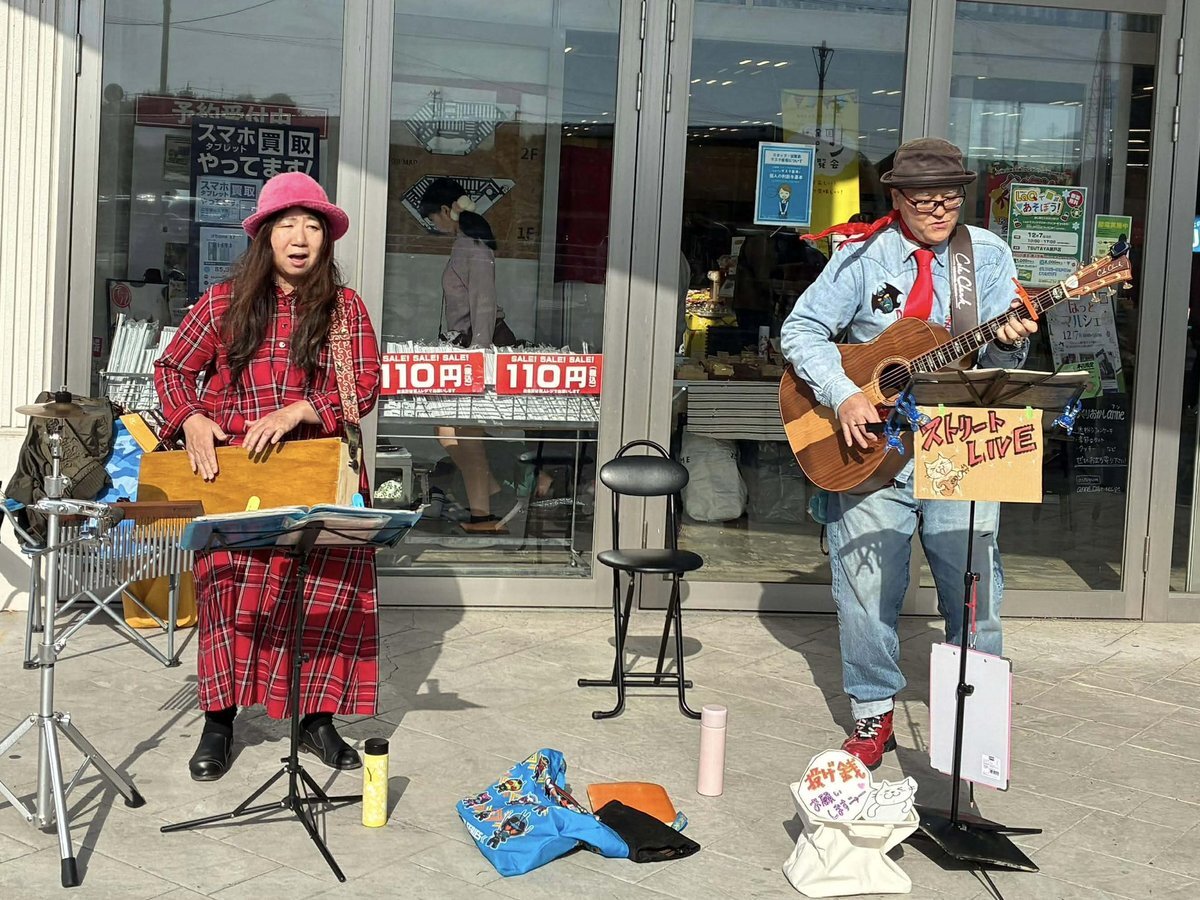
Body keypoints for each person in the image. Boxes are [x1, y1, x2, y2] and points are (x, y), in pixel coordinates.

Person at [780, 138, 1039, 769]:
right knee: (867, 587)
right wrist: (844, 393)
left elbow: (1002, 359)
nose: (940, 211)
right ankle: (873, 713)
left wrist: (1010, 341)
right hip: (872, 443)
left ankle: (974, 724)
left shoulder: (988, 255)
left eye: (950, 199)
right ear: (897, 198)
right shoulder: (861, 254)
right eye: (925, 201)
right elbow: (801, 329)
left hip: (961, 441)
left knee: (974, 587)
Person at [155, 172, 381, 781]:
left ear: (326, 239)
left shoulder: (344, 310)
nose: (300, 238)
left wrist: (301, 409)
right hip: (235, 476)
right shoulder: (223, 302)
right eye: (287, 225)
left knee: (322, 597)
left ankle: (316, 719)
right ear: (265, 236)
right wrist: (190, 418)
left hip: (316, 470)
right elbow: (172, 370)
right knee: (228, 596)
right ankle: (218, 720)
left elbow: (363, 388)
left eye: (312, 227)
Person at [419, 177, 520, 532]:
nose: (434, 225)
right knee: (449, 429)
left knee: (465, 435)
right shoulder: (464, 244)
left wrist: (479, 354)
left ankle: (484, 515)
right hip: (468, 344)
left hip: (479, 345)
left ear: (447, 210)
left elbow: (484, 302)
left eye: (434, 217)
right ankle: (495, 496)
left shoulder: (474, 247)